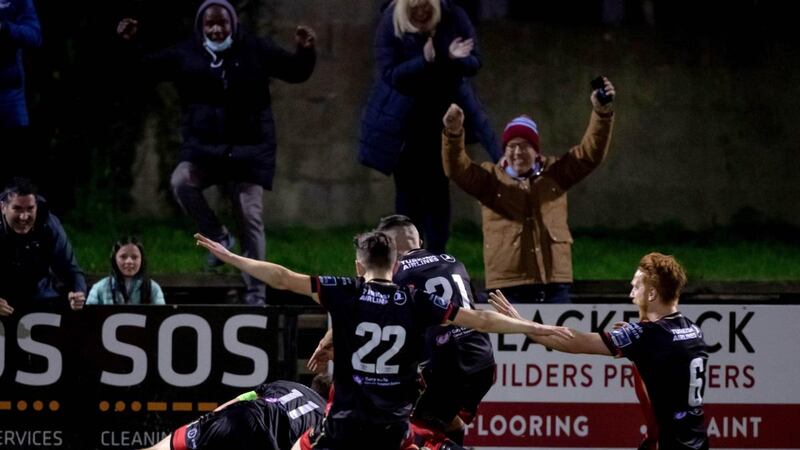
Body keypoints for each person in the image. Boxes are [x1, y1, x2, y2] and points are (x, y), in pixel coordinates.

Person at [194, 231, 572, 450]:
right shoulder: (418, 301)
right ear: (396, 265)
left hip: (342, 427)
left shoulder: (343, 291)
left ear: (359, 266)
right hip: (393, 430)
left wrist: (233, 258)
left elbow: (280, 276)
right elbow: (481, 320)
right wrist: (534, 329)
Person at [116, 0, 317, 305]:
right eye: (210, 24)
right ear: (202, 26)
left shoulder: (253, 49)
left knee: (250, 217)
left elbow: (293, 71)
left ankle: (256, 293)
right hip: (205, 150)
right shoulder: (189, 53)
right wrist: (130, 43)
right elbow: (148, 67)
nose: (216, 29)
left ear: (232, 25)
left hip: (247, 151)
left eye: (222, 23)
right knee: (181, 181)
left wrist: (305, 51)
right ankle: (219, 237)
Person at [489, 252, 709, 450]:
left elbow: (576, 342)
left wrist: (521, 324)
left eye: (636, 287)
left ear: (651, 294)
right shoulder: (693, 329)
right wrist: (636, 339)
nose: (631, 294)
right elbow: (664, 356)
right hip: (697, 441)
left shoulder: (648, 335)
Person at [441, 77, 616, 303]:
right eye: (512, 146)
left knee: (559, 338)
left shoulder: (555, 172)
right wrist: (453, 135)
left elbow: (590, 154)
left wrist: (602, 113)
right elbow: (457, 169)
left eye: (524, 146)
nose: (517, 152)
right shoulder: (489, 179)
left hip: (554, 284)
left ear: (536, 150)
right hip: (508, 286)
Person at [358, 0, 501, 255]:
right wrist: (423, 60)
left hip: (441, 120)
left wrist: (452, 58)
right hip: (404, 123)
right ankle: (408, 258)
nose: (421, 14)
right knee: (407, 196)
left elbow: (474, 62)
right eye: (415, 10)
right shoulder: (390, 21)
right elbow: (390, 74)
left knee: (437, 193)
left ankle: (436, 257)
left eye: (426, 8)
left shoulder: (453, 16)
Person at [141, 376, 330, 450]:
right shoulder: (326, 416)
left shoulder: (287, 384)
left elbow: (240, 399)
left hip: (244, 417)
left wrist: (207, 421)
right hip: (271, 441)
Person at [0, 177, 86, 315]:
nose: (24, 217)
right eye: (17, 209)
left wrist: (78, 294)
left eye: (30, 209)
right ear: (3, 207)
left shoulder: (49, 225)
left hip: (38, 292)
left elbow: (71, 268)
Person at [0, 0, 43, 186]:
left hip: (9, 102)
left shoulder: (18, 1)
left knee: (14, 180)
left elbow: (34, 36)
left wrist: (4, 27)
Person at [84, 236, 165, 305]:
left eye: (134, 257)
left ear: (142, 260)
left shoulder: (153, 289)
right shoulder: (99, 288)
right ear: (114, 259)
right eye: (123, 257)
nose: (129, 261)